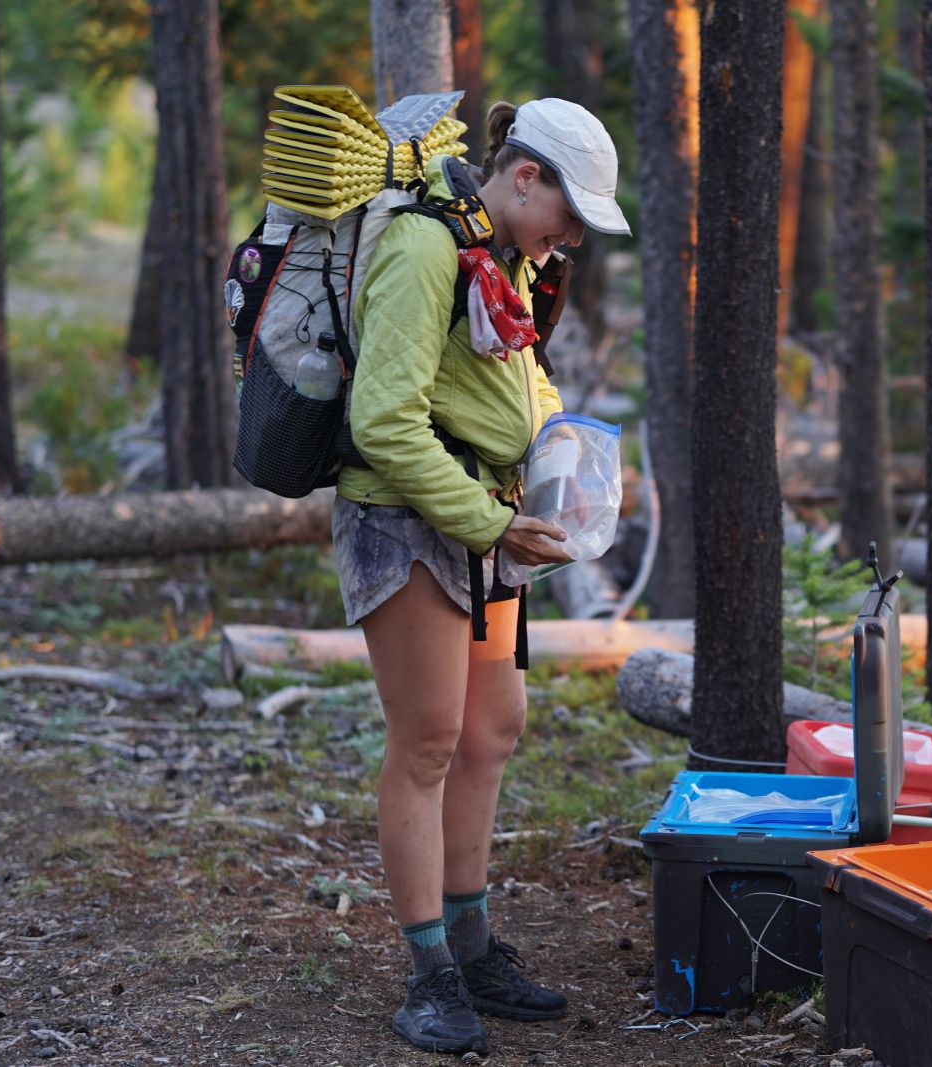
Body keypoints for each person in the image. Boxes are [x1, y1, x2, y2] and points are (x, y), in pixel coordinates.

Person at [331, 97, 631, 1056]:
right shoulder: (427, 249)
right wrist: (496, 522)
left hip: (485, 524)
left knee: (492, 729)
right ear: (525, 175)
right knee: (427, 740)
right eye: (570, 213)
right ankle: (429, 975)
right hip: (408, 521)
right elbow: (384, 423)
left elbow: (519, 377)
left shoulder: (509, 255)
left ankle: (472, 941)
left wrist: (559, 461)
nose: (574, 237)